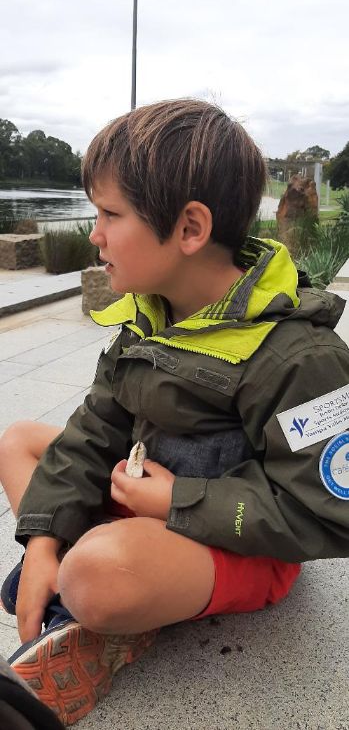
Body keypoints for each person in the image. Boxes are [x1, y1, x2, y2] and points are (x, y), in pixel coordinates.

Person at [1, 98, 349, 726]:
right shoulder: (151, 314)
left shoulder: (300, 358)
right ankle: (83, 584)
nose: (94, 233)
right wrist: (43, 536)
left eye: (110, 213)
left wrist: (177, 503)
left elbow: (330, 511)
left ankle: (94, 603)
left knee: (97, 574)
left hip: (243, 544)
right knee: (19, 440)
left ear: (189, 229)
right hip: (148, 492)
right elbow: (92, 430)